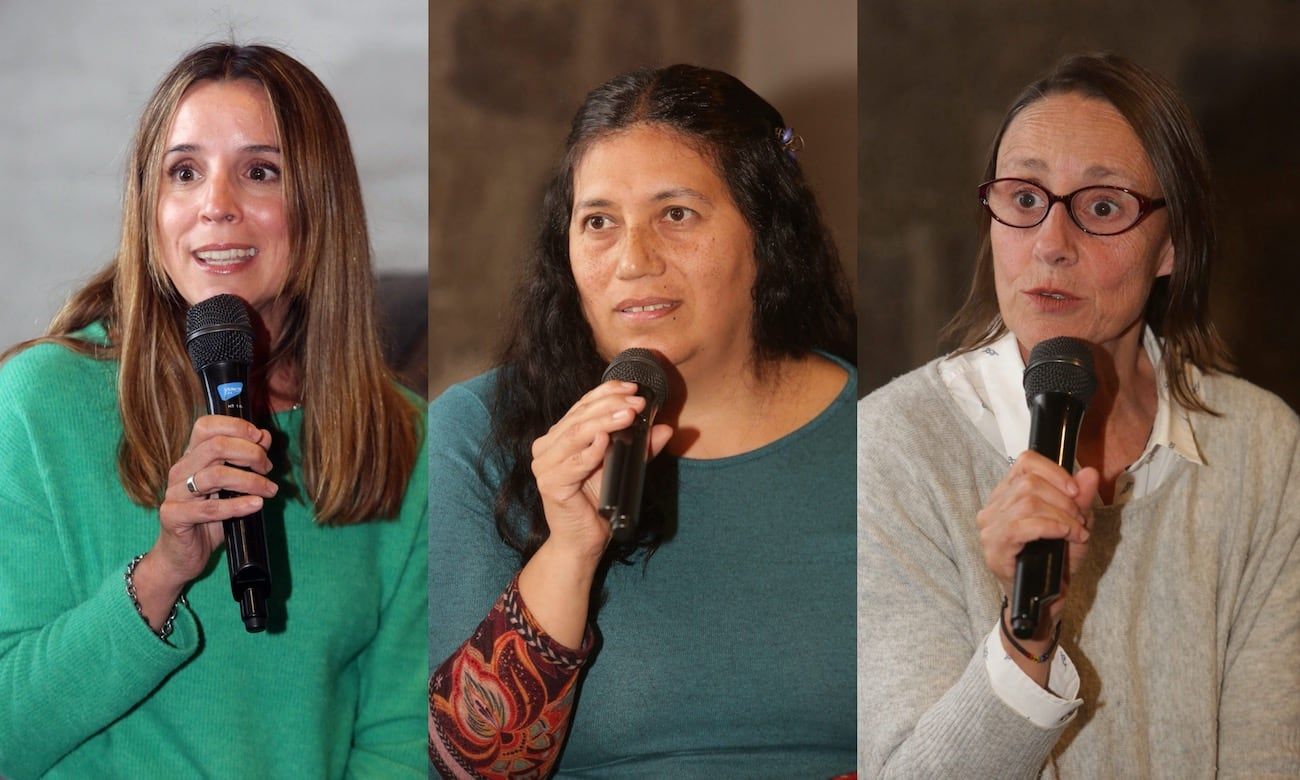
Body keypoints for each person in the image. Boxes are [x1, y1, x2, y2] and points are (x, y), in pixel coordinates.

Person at [858, 52, 1300, 777]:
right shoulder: (893, 447)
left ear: (1173, 244)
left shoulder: (1262, 449)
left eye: (1101, 208)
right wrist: (1024, 642)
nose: (1050, 245)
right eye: (1024, 198)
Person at [0, 43, 427, 777]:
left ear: (320, 204)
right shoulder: (38, 403)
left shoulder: (404, 439)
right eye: (184, 172)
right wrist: (162, 574)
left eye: (260, 171)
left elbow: (399, 742)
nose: (216, 205)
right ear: (150, 207)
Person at [428, 65, 857, 778]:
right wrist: (569, 553)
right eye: (598, 222)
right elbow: (464, 771)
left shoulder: (879, 430)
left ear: (767, 232)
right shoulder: (476, 435)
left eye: (676, 215)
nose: (633, 261)